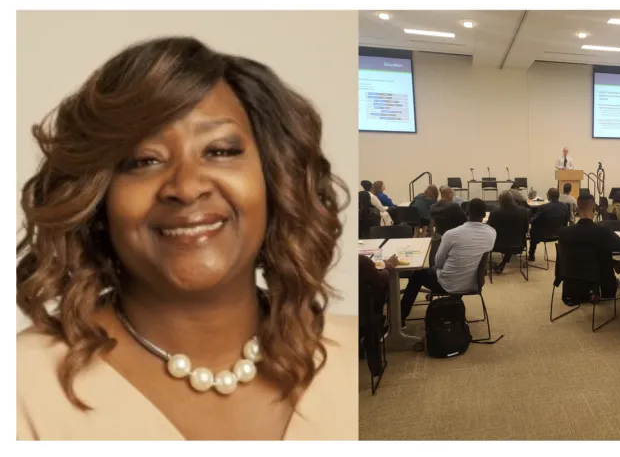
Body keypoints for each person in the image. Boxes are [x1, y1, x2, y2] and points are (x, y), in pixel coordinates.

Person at [16, 37, 356, 440]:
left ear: (273, 179)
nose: (187, 187)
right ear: (97, 198)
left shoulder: (351, 350)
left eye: (220, 151)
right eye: (144, 160)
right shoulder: (20, 386)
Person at [399, 199, 496, 322]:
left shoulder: (451, 234)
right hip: (474, 283)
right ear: (484, 214)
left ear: (466, 212)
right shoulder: (492, 233)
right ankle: (454, 303)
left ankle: (400, 316)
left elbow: (438, 263)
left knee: (417, 275)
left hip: (447, 284)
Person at [556, 195, 620, 303]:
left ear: (577, 209)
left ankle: (614, 264)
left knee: (594, 250)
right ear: (594, 209)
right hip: (598, 282)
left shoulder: (563, 232)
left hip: (571, 282)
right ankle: (614, 264)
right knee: (601, 249)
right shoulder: (603, 232)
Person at [487, 191, 529, 273]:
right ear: (512, 200)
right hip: (518, 245)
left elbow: (488, 230)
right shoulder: (524, 211)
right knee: (511, 238)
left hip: (497, 246)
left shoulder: (495, 213)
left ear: (500, 201)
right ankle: (502, 263)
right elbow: (526, 230)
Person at [528, 188, 570, 261]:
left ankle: (531, 255)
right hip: (559, 234)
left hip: (544, 235)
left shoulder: (543, 207)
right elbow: (566, 221)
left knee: (533, 230)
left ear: (549, 196)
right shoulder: (565, 207)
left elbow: (533, 221)